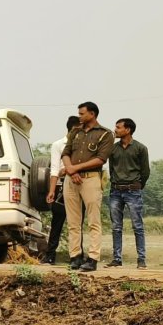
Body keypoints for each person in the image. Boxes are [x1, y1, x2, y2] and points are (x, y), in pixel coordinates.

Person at [61, 102, 115, 272]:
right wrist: (71, 170)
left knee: (93, 220)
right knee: (73, 221)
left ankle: (92, 258)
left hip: (91, 179)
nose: (79, 116)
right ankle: (75, 256)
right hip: (71, 180)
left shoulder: (105, 134)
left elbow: (100, 159)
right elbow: (65, 153)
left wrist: (73, 168)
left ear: (92, 114)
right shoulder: (75, 131)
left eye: (82, 113)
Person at [106, 118, 151, 269]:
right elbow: (111, 169)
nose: (115, 130)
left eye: (118, 127)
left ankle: (141, 259)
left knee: (137, 226)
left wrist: (138, 186)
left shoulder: (140, 148)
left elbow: (145, 171)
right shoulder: (113, 149)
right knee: (116, 226)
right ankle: (117, 259)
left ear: (128, 130)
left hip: (133, 191)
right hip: (116, 191)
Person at [44, 116, 81, 264]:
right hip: (61, 185)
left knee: (77, 223)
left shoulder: (82, 144)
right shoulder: (58, 144)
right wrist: (51, 190)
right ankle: (50, 255)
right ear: (73, 128)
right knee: (57, 223)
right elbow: (54, 170)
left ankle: (77, 256)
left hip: (78, 185)